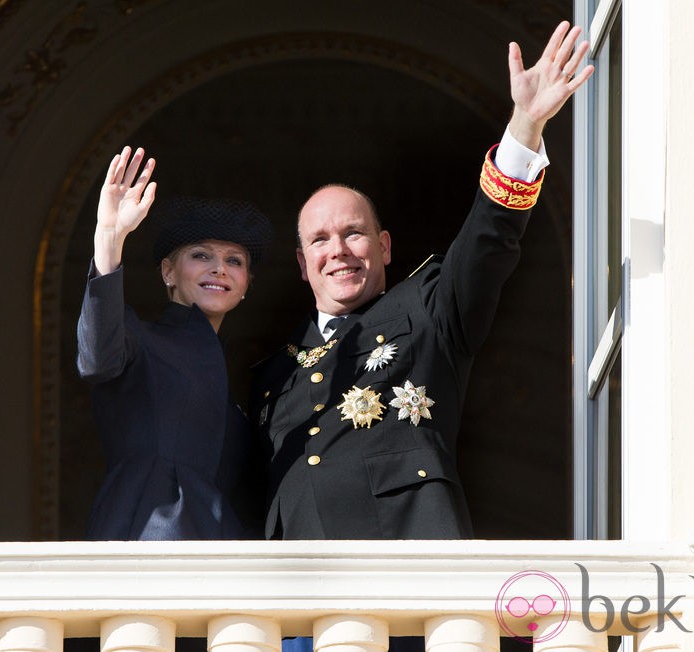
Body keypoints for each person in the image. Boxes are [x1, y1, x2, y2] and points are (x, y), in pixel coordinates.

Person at [251, 21, 594, 542]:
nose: (338, 251)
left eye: (353, 233)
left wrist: (525, 125)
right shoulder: (272, 376)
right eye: (320, 240)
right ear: (302, 264)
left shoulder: (428, 310)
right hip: (300, 609)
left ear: (384, 247)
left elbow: (487, 241)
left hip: (405, 593)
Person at [77, 146, 272, 541]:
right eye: (201, 256)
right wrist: (108, 242)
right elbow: (97, 359)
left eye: (235, 261)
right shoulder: (139, 340)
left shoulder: (246, 377)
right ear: (168, 272)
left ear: (247, 285)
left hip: (221, 552)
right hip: (149, 541)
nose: (219, 267)